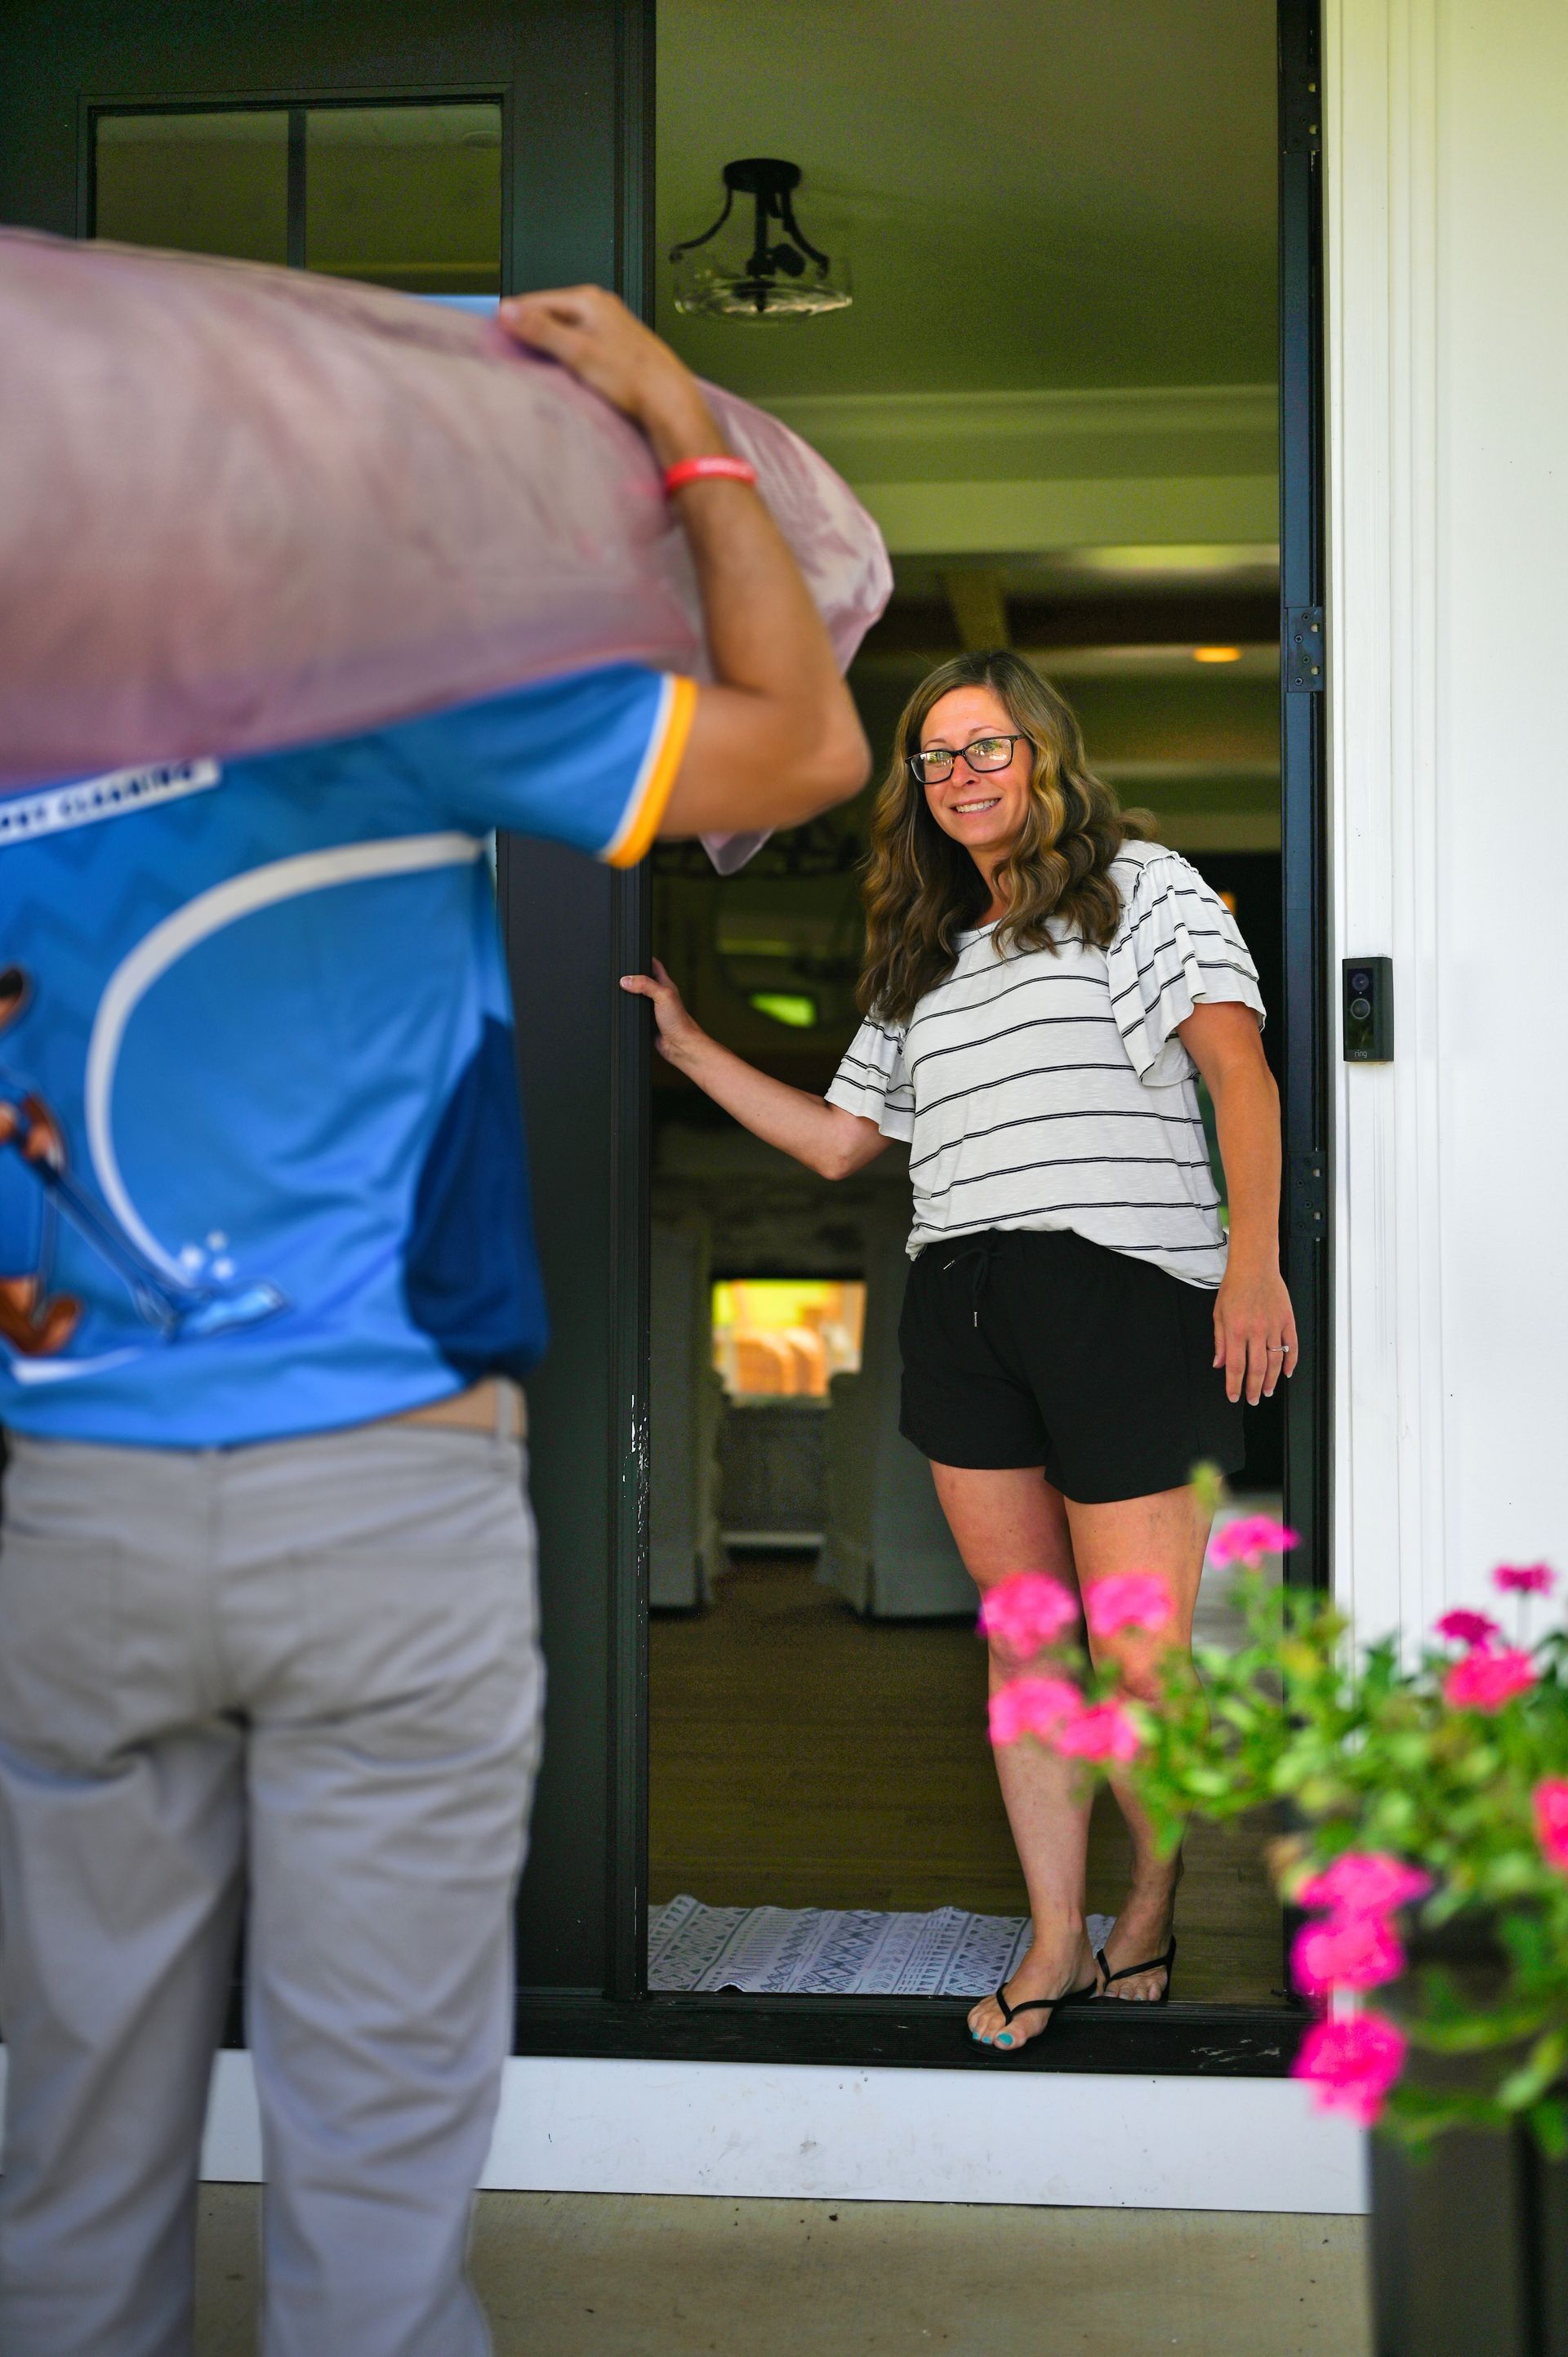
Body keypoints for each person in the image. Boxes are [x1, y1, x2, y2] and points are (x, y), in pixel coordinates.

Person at [0, 287, 867, 2355]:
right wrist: (682, 425)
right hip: (385, 1510)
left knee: (65, 2168)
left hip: (79, 1521)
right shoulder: (386, 698)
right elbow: (812, 743)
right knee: (377, 2191)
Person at [622, 648, 1293, 2052]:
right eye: (933, 758)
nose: (959, 777)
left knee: (1143, 1655)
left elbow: (1240, 1070)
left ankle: (1151, 1900)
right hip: (965, 1300)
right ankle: (1057, 1933)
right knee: (1027, 1643)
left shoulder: (1145, 889)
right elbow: (837, 1141)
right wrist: (686, 1049)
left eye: (985, 747)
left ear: (1045, 754)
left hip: (1124, 1293)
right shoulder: (925, 953)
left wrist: (1252, 1266)